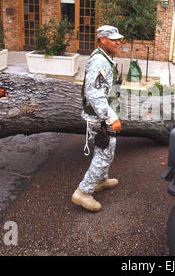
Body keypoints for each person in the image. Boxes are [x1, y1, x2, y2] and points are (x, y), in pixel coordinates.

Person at [72, 25, 123, 212]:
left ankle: (101, 180)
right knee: (104, 152)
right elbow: (94, 94)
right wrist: (110, 117)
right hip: (99, 116)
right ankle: (83, 192)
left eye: (119, 39)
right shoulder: (100, 61)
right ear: (102, 39)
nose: (118, 42)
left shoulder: (105, 58)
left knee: (107, 149)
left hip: (101, 114)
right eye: (114, 39)